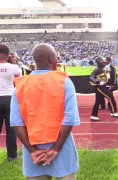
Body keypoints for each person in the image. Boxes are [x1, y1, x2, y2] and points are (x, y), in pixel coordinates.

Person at [10, 43, 80, 179]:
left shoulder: (20, 85)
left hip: (34, 153)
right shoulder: (64, 81)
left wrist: (32, 150)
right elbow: (70, 117)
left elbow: (16, 122)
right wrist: (56, 148)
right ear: (51, 59)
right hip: (63, 150)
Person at [0, 44, 19, 162]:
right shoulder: (14, 68)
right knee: (11, 129)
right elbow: (18, 81)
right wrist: (14, 63)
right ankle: (12, 156)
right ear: (7, 55)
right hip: (9, 98)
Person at [90, 56, 118, 121]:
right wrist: (98, 81)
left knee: (97, 102)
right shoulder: (97, 69)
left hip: (103, 86)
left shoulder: (103, 69)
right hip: (99, 87)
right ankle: (114, 112)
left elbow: (107, 77)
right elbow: (91, 77)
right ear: (99, 63)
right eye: (103, 62)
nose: (104, 63)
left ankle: (93, 115)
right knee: (110, 97)